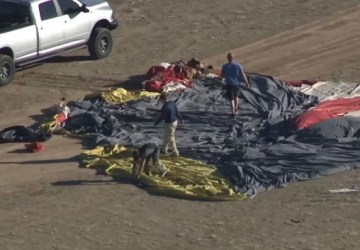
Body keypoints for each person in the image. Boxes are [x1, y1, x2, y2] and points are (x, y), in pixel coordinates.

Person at [220, 52, 250, 117]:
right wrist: (246, 82)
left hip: (229, 84)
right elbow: (242, 74)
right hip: (236, 84)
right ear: (233, 58)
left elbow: (222, 76)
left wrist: (223, 83)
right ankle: (236, 109)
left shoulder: (225, 66)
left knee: (231, 99)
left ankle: (233, 112)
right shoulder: (238, 65)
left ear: (227, 58)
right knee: (236, 96)